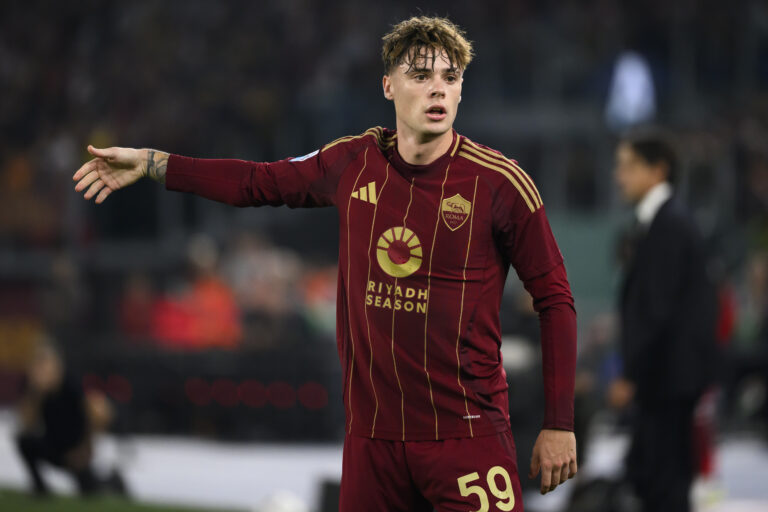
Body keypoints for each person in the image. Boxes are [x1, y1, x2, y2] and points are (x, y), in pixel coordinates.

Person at [72, 16, 577, 511]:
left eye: (450, 77)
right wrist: (155, 163)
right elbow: (258, 181)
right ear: (388, 86)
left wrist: (559, 422)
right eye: (421, 76)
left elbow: (555, 299)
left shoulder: (501, 184)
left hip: (466, 437)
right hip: (372, 445)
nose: (438, 90)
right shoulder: (352, 161)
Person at [611, 129, 718, 512]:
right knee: (655, 478)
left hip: (666, 380)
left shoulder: (669, 223)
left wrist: (631, 374)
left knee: (664, 484)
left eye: (628, 166)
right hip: (666, 378)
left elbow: (658, 311)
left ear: (658, 170)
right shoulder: (663, 221)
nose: (618, 176)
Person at [15, 339, 126, 496]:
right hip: (53, 446)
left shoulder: (71, 385)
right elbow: (27, 424)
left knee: (90, 490)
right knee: (24, 441)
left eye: (46, 365)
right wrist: (35, 394)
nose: (42, 371)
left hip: (75, 451)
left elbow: (99, 414)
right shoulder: (35, 390)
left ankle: (113, 481)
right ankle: (40, 488)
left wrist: (85, 449)